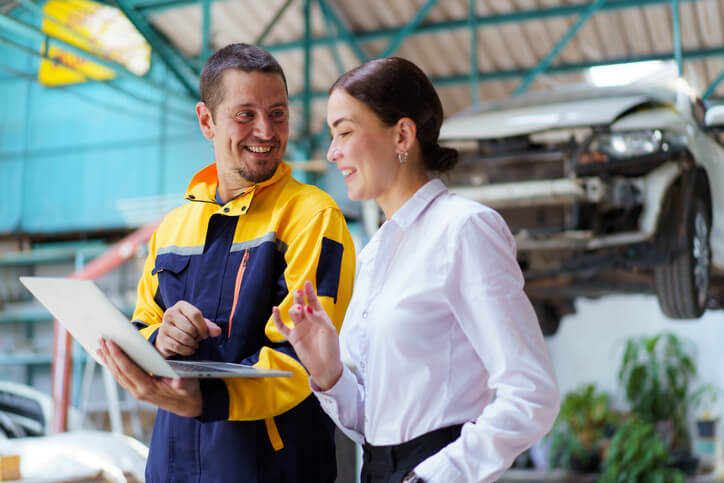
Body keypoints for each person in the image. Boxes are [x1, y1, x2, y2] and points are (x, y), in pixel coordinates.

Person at [272, 57, 561, 483]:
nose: (332, 152)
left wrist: (438, 475)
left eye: (345, 132)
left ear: (402, 134)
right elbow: (376, 425)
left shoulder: (463, 229)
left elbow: (532, 393)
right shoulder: (374, 255)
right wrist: (329, 373)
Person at [97, 43, 356, 482]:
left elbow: (303, 360)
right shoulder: (173, 228)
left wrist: (207, 400)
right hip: (172, 464)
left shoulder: (313, 217)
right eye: (245, 115)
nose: (266, 131)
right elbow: (143, 323)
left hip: (271, 468)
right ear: (206, 120)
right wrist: (162, 337)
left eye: (278, 113)